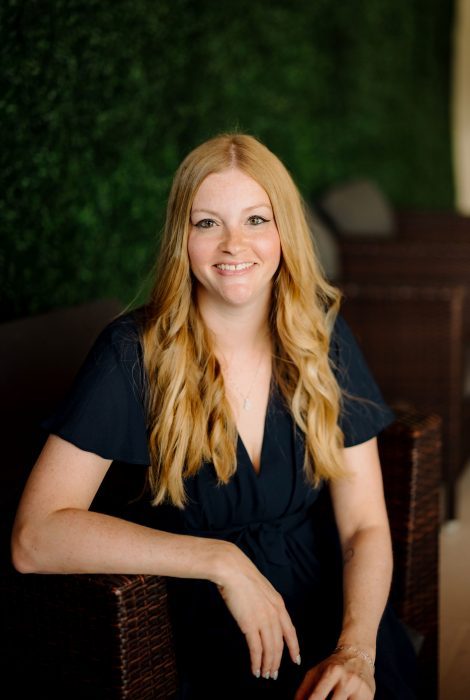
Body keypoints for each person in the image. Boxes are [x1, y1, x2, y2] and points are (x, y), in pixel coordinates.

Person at [11, 133, 417, 699]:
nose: (233, 244)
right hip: (202, 634)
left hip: (332, 612)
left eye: (256, 219)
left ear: (284, 232)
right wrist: (219, 560)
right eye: (207, 223)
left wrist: (355, 652)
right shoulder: (132, 352)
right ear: (182, 236)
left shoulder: (321, 335)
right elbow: (34, 537)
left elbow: (365, 527)